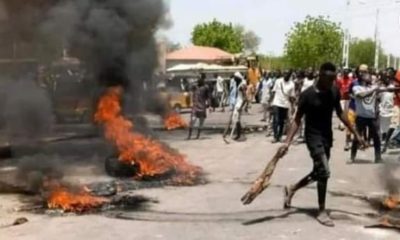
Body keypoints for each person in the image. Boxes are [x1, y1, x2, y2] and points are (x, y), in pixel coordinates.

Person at [279, 62, 365, 227]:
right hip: (312, 137)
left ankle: (292, 188)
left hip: (327, 137)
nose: (332, 82)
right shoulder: (307, 95)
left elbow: (341, 114)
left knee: (319, 172)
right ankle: (321, 210)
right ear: (320, 75)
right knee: (324, 172)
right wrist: (287, 142)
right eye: (329, 79)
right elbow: (297, 119)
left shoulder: (333, 91)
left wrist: (356, 134)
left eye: (334, 79)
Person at [350, 71, 399, 163]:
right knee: (357, 138)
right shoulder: (357, 87)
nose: (371, 78)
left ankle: (378, 157)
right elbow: (361, 95)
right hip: (361, 117)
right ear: (362, 78)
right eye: (368, 76)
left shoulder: (373, 87)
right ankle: (352, 157)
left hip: (372, 117)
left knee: (376, 138)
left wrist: (396, 88)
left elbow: (388, 89)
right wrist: (375, 89)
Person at [271, 70, 295, 143]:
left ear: (290, 75)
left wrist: (293, 106)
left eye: (287, 74)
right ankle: (275, 136)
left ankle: (280, 136)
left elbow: (292, 96)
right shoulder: (278, 81)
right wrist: (271, 102)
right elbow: (274, 91)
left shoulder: (292, 84)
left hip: (285, 104)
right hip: (276, 102)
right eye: (284, 73)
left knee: (282, 121)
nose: (285, 75)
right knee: (276, 120)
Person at [187, 73, 210, 140]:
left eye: (200, 77)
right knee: (192, 120)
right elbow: (189, 89)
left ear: (203, 79)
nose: (199, 79)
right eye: (198, 77)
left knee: (201, 122)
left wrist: (210, 105)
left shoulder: (206, 87)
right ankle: (189, 136)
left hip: (202, 106)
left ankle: (198, 136)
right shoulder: (194, 86)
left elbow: (208, 97)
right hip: (195, 106)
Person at [231, 72, 247, 141]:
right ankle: (239, 134)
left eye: (235, 77)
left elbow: (245, 98)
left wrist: (241, 107)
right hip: (238, 103)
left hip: (240, 104)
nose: (234, 79)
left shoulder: (241, 86)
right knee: (236, 120)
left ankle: (239, 135)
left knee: (237, 120)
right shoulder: (239, 84)